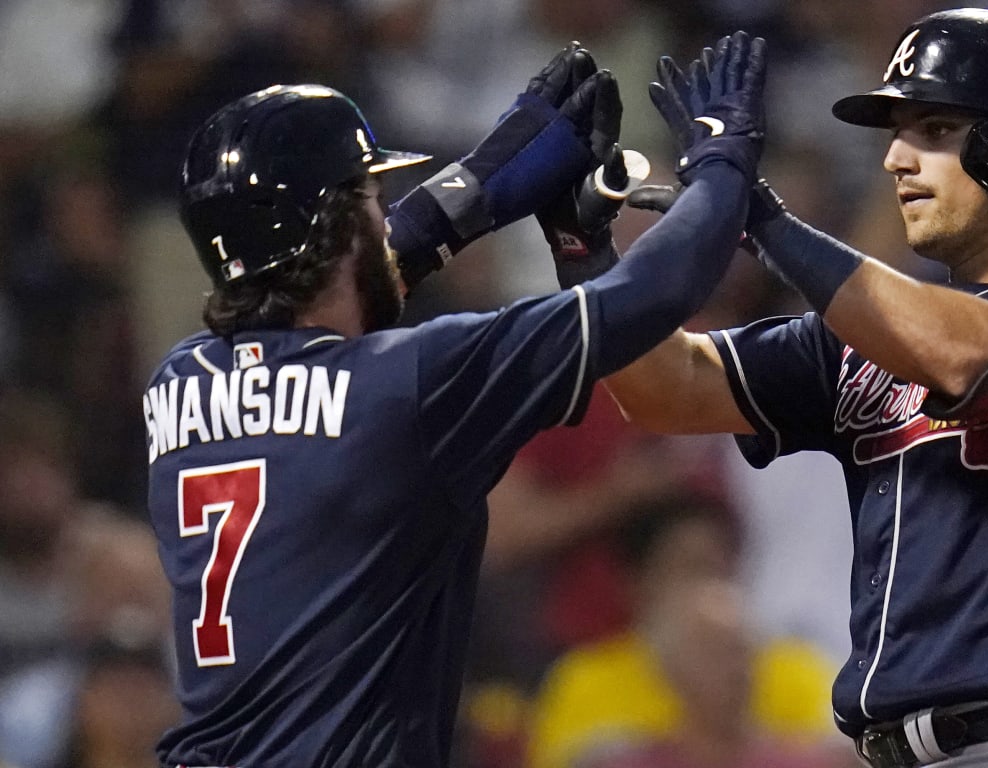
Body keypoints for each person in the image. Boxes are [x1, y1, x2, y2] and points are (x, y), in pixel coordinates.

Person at [555, 13, 988, 768]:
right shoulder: (875, 326)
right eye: (897, 133)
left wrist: (764, 219)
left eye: (931, 129)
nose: (895, 158)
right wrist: (585, 250)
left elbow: (973, 357)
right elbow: (669, 389)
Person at [143, 37, 767, 767]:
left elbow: (341, 283)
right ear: (340, 227)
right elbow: (658, 289)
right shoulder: (410, 380)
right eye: (369, 202)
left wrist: (486, 176)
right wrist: (724, 160)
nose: (384, 219)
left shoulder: (176, 381)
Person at [526, 493, 846, 768]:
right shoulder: (584, 682)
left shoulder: (798, 670)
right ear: (637, 583)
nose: (706, 585)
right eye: (689, 568)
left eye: (719, 568)